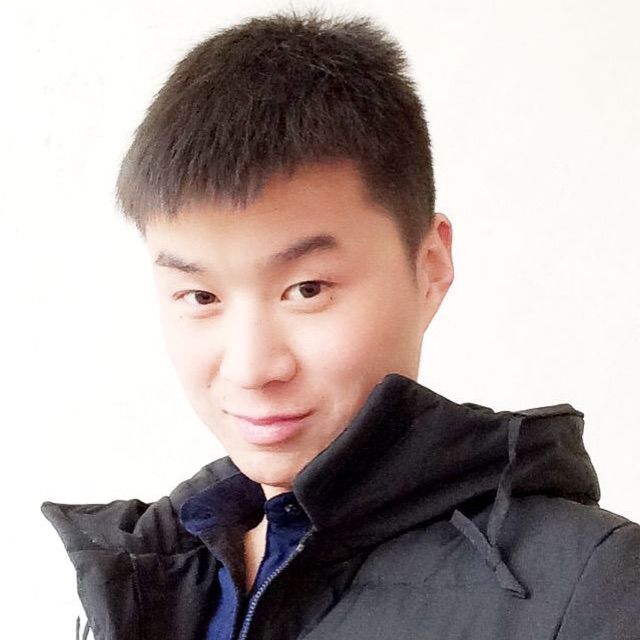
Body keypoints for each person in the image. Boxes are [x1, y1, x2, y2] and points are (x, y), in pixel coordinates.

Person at [42, 11, 639, 640]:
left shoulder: (594, 589)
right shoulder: (148, 572)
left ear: (430, 266)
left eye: (307, 290)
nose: (251, 368)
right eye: (200, 296)